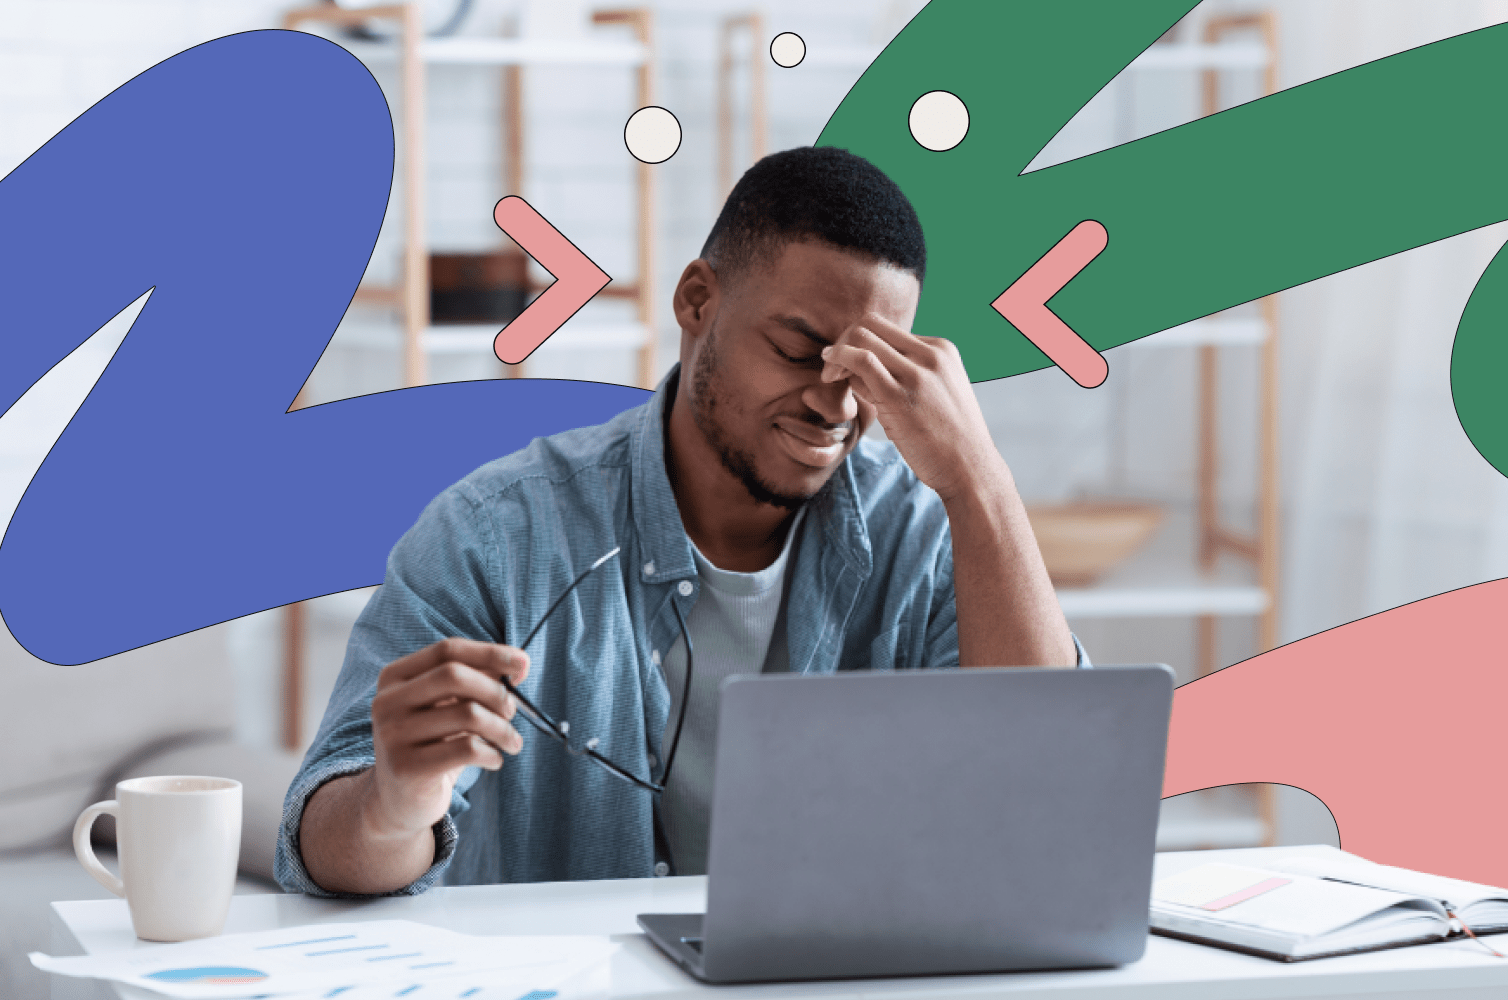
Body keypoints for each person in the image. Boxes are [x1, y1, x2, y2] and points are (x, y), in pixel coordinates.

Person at [276, 145, 1087, 897]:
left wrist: (980, 481)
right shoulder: (498, 535)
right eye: (800, 350)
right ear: (698, 300)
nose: (834, 405)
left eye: (868, 370)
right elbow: (323, 858)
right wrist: (393, 802)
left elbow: (1057, 799)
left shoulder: (927, 527)